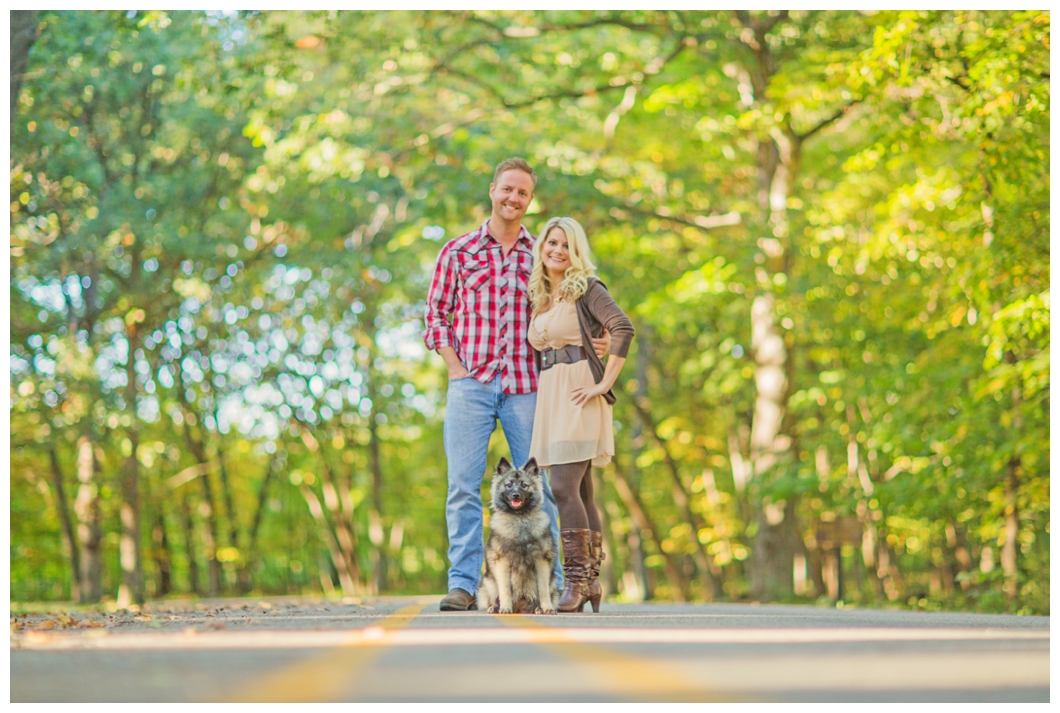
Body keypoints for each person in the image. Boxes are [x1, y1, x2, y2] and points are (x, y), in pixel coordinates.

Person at [422, 158, 609, 612]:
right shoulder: (459, 251)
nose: (513, 198)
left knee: (545, 486)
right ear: (492, 190)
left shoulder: (540, 254)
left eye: (523, 193)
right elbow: (435, 316)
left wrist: (596, 339)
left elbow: (576, 303)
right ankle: (464, 584)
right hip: (472, 384)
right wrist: (454, 368)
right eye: (507, 189)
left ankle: (560, 584)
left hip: (529, 387)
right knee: (463, 487)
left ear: (530, 199)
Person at [526, 216, 634, 613]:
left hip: (579, 393)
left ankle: (577, 582)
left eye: (566, 245)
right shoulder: (540, 295)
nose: (557, 251)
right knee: (582, 490)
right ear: (542, 247)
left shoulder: (587, 288)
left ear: (576, 252)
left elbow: (622, 327)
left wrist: (603, 384)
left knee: (562, 488)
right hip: (551, 394)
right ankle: (589, 584)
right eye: (551, 243)